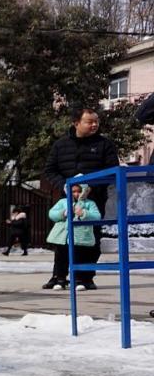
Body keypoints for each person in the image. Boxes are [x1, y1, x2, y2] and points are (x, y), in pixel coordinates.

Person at [42, 107, 119, 289]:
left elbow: (113, 171)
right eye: (89, 122)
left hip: (95, 199)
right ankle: (59, 276)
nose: (94, 125)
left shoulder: (104, 144)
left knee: (90, 238)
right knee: (63, 238)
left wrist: (91, 185)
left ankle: (85, 277)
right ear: (76, 123)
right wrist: (65, 185)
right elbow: (50, 170)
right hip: (67, 198)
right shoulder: (61, 145)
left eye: (96, 122)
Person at [43, 183, 100, 290]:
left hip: (80, 237)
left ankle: (80, 279)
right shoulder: (63, 202)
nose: (76, 194)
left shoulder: (89, 203)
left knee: (80, 258)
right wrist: (63, 213)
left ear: (84, 191)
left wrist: (84, 213)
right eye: (73, 191)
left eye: (79, 191)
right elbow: (51, 213)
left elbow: (97, 216)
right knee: (60, 259)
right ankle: (60, 279)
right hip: (62, 237)